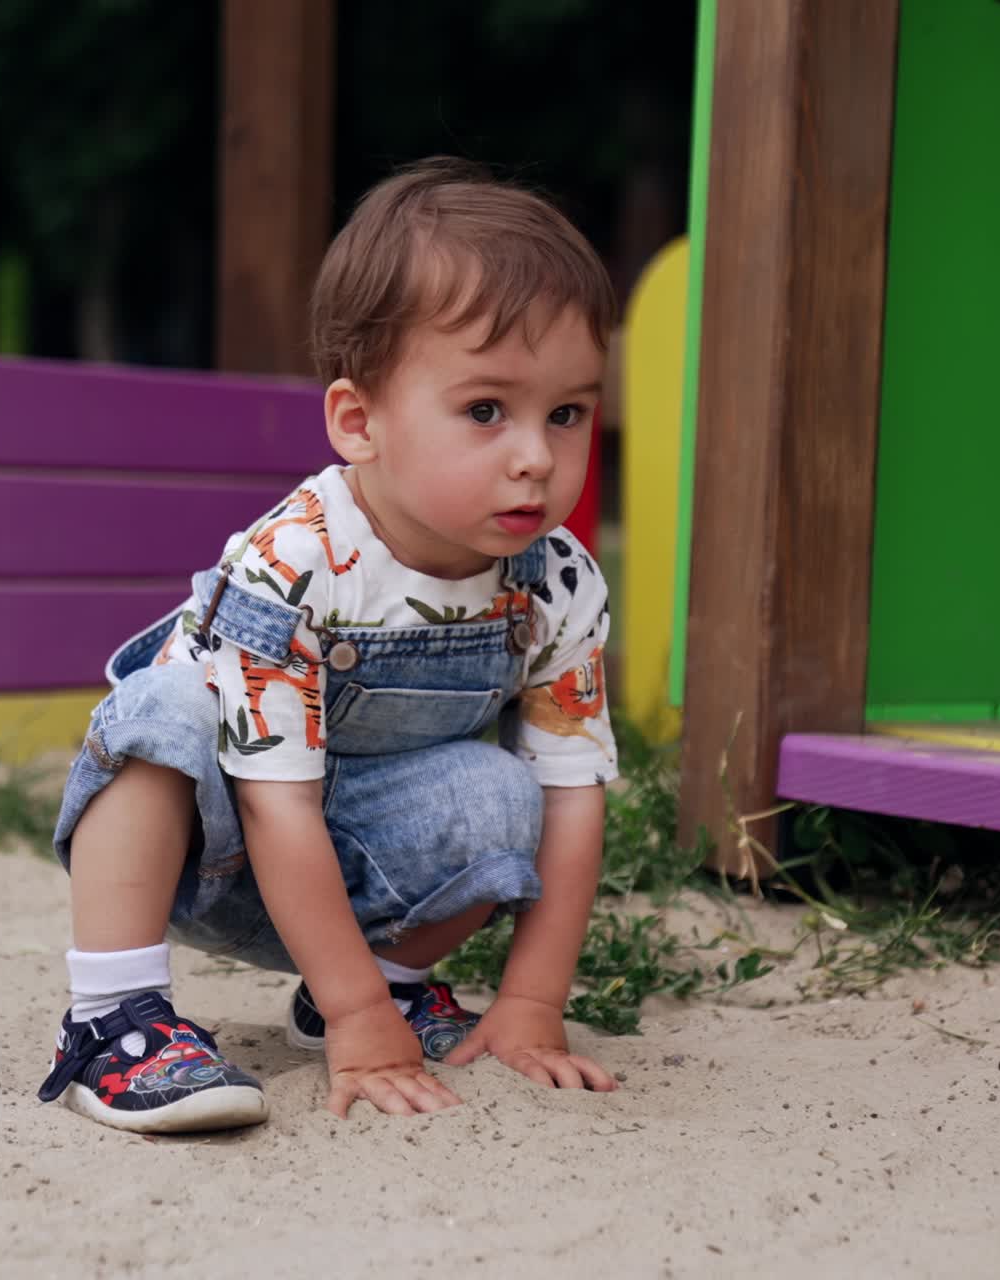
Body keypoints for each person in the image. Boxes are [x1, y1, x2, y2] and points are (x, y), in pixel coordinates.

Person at [37, 157, 621, 1133]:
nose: (535, 454)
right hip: (216, 842)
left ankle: (383, 983)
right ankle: (112, 1016)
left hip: (366, 867)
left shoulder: (552, 579)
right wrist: (360, 1022)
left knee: (506, 793)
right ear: (359, 421)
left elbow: (571, 800)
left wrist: (531, 1002)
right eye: (486, 409)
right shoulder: (297, 561)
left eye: (564, 412)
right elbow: (275, 805)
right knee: (162, 709)